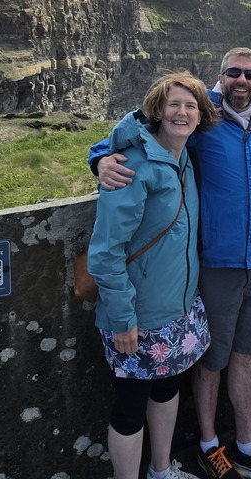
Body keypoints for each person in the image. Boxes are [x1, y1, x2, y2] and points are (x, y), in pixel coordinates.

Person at [89, 49, 251, 479]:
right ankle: (206, 446)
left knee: (238, 358)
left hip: (247, 269)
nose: (242, 79)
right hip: (203, 273)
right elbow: (128, 140)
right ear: (221, 78)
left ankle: (243, 447)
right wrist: (99, 159)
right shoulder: (203, 126)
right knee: (206, 363)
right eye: (233, 72)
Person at [87, 72, 218, 479]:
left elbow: (248, 98)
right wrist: (123, 317)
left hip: (176, 310)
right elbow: (106, 252)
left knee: (166, 390)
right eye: (174, 104)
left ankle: (162, 471)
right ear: (157, 111)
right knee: (130, 406)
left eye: (191, 106)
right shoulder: (131, 167)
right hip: (136, 316)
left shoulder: (183, 157)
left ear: (199, 117)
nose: (182, 112)